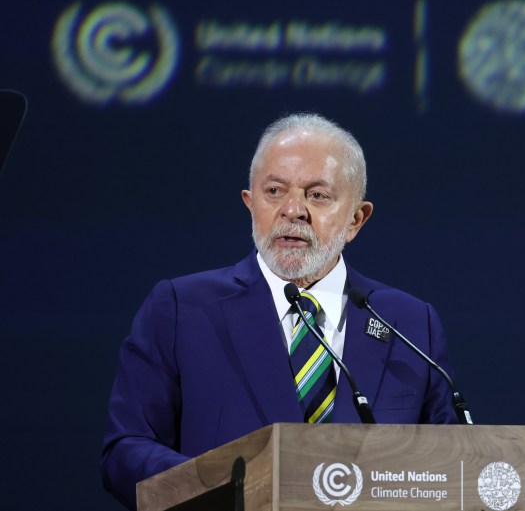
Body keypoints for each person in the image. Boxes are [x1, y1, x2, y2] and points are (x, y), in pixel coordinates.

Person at [100, 113, 458, 509]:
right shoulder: (181, 309)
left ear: (356, 219)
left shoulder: (409, 323)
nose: (293, 210)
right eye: (274, 191)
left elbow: (455, 466)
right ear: (250, 203)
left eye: (317, 195)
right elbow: (125, 451)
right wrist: (225, 490)